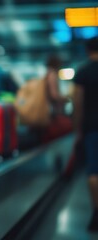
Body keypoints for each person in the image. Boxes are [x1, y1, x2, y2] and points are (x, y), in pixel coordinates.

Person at [73, 37, 98, 231]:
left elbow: (78, 104)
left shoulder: (82, 72)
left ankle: (97, 213)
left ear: (87, 50)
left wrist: (78, 130)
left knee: (94, 171)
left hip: (92, 127)